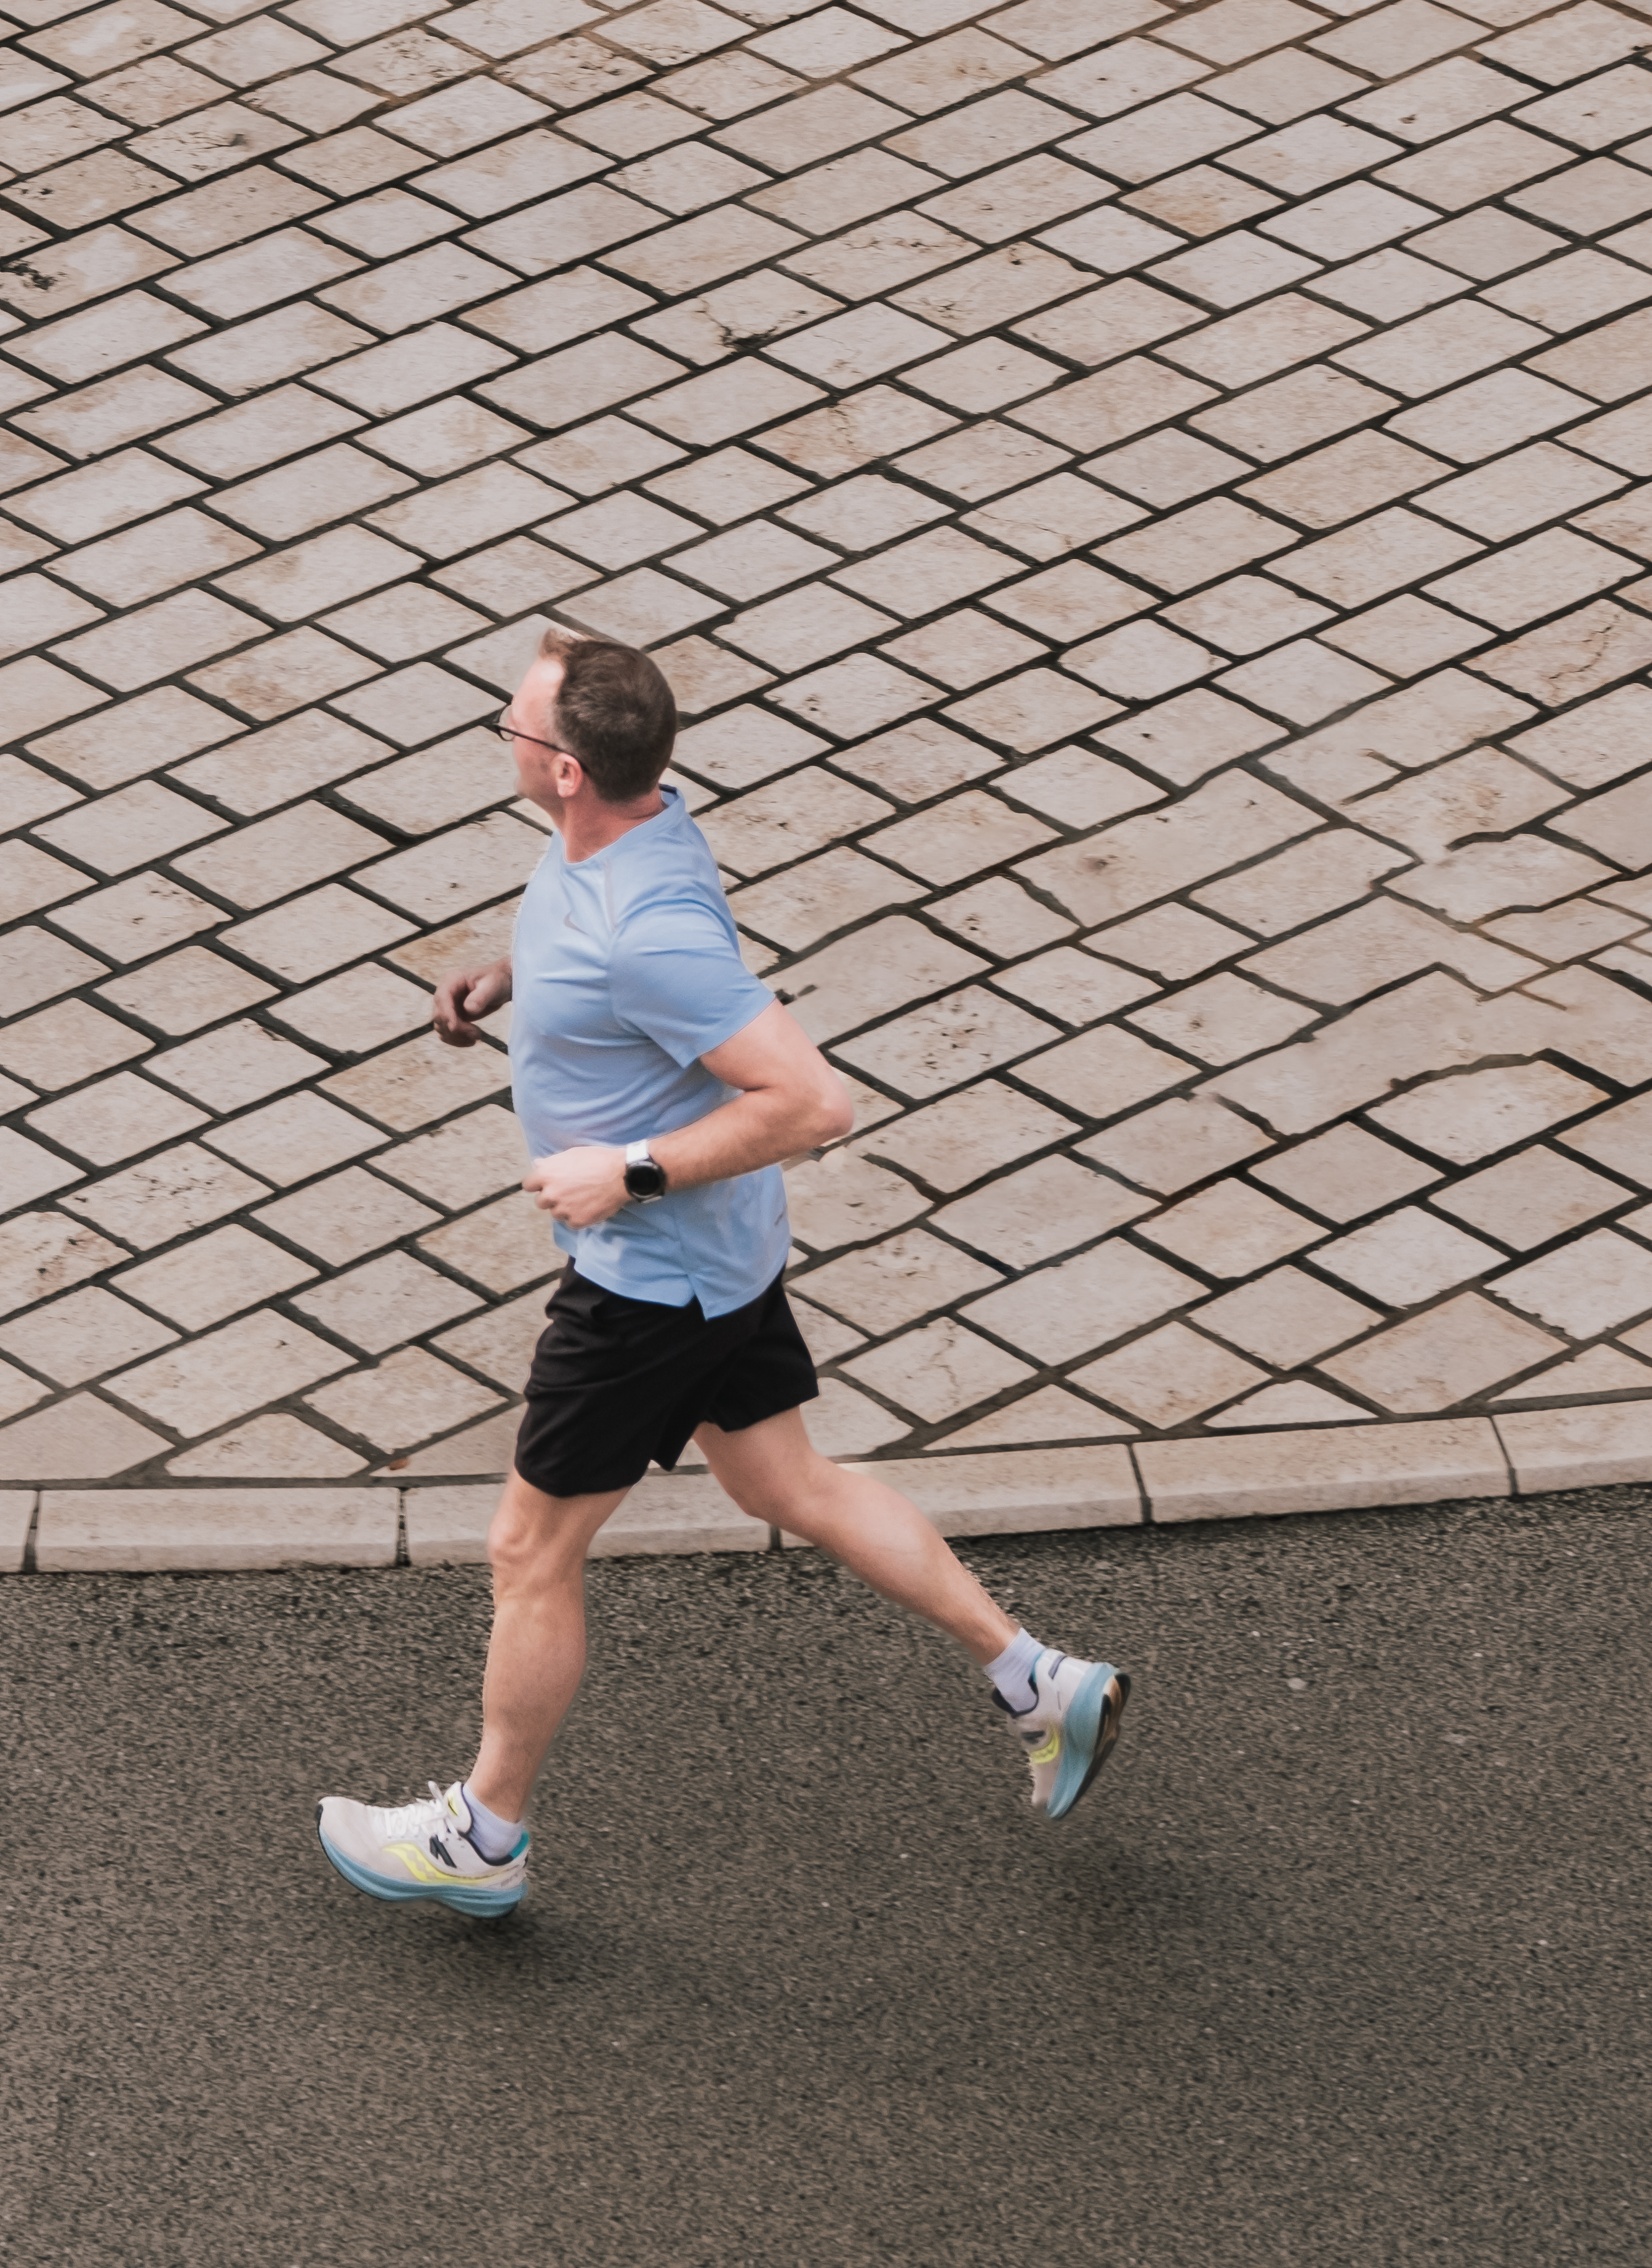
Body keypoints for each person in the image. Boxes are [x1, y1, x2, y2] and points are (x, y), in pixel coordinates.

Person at [318, 629, 1129, 1922]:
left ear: (568, 769)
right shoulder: (626, 829)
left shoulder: (647, 929)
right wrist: (510, 980)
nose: (503, 740)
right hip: (721, 1261)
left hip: (648, 1280)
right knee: (783, 1480)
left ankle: (481, 1840)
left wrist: (625, 1172)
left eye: (516, 730)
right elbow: (588, 944)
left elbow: (812, 1101)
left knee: (525, 1550)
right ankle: (1035, 1680)